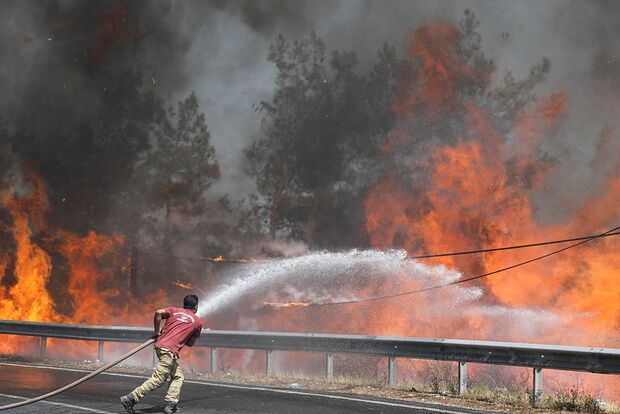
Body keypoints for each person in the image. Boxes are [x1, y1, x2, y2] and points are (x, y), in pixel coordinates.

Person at [120, 294, 203, 414]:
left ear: (184, 304)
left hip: (162, 348)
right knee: (158, 379)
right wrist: (186, 333)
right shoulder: (198, 322)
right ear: (196, 307)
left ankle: (171, 404)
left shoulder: (174, 310)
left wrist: (156, 331)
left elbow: (158, 312)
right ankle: (130, 398)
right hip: (169, 351)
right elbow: (190, 343)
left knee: (178, 376)